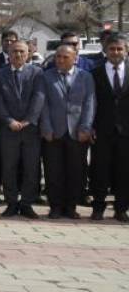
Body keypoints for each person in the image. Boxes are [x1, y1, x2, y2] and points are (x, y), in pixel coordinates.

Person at [39, 44, 94, 220]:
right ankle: (55, 207)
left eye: (65, 57)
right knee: (53, 172)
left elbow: (90, 104)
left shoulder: (85, 77)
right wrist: (46, 128)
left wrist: (85, 127)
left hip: (77, 132)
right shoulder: (46, 77)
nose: (60, 60)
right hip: (54, 132)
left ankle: (70, 207)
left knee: (75, 171)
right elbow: (43, 104)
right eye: (58, 57)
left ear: (75, 58)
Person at [0, 41, 45, 218]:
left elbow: (39, 98)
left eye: (22, 52)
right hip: (8, 130)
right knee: (9, 168)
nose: (18, 55)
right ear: (8, 53)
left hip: (30, 130)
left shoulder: (37, 73)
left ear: (28, 54)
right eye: (14, 51)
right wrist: (9, 121)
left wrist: (28, 121)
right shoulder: (0, 74)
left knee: (31, 168)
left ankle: (27, 203)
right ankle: (11, 203)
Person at [90, 33, 129, 222]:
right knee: (100, 171)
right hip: (102, 130)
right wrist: (90, 126)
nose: (116, 52)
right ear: (105, 51)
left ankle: (121, 209)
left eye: (119, 48)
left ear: (126, 50)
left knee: (124, 171)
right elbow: (90, 103)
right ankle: (98, 207)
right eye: (112, 49)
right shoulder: (95, 73)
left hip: (126, 132)